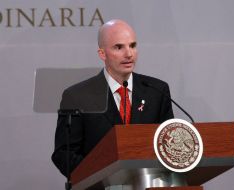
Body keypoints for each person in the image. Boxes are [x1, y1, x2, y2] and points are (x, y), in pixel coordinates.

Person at [51, 19, 174, 177]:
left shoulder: (157, 91)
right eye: (119, 47)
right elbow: (64, 154)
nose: (129, 54)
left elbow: (169, 145)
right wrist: (105, 176)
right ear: (102, 53)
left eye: (133, 46)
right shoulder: (77, 96)